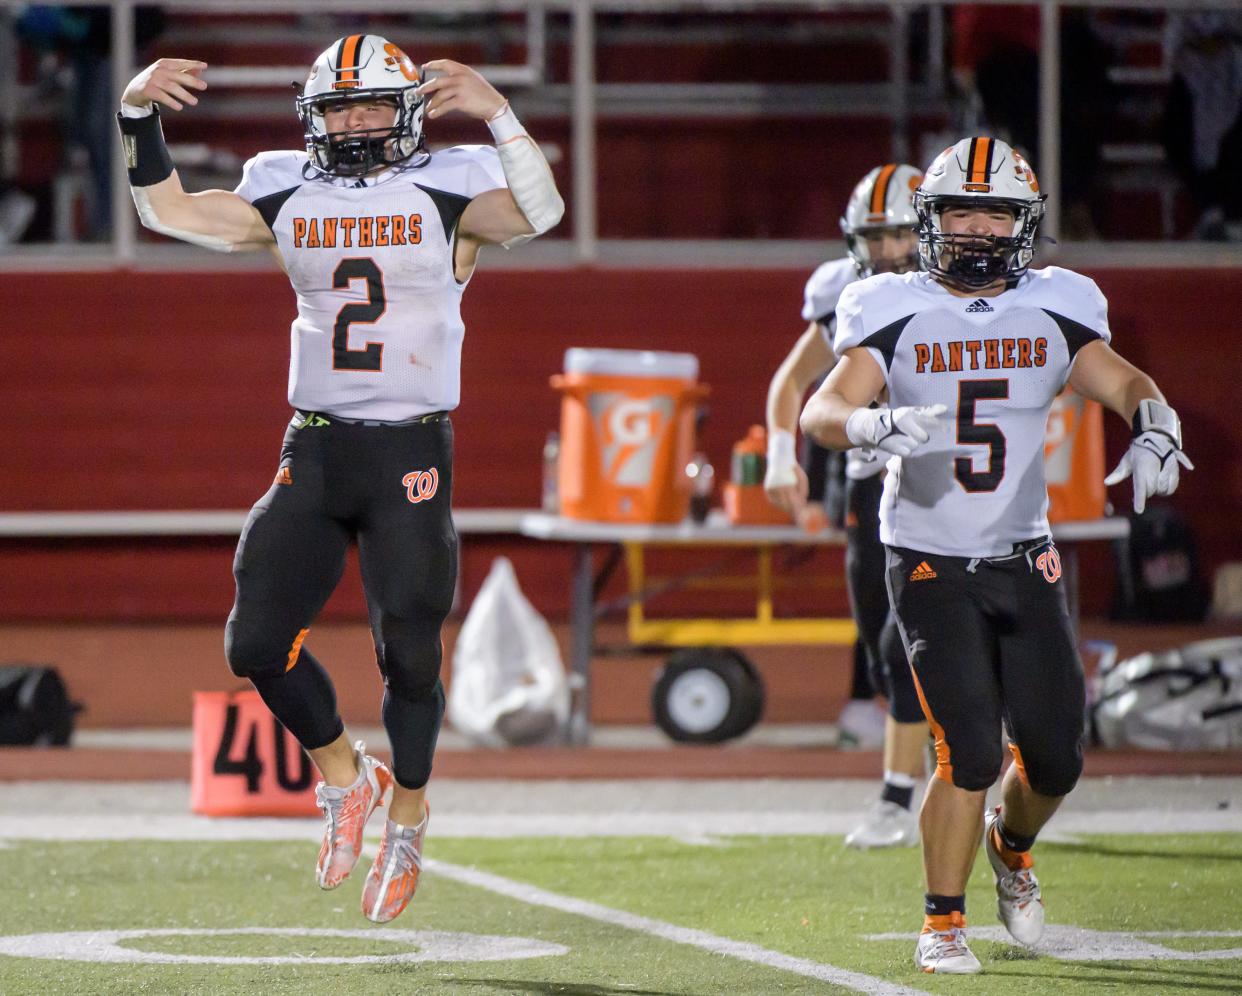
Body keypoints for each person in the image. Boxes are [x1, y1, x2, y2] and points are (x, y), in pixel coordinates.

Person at [116, 34, 563, 923]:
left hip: (410, 451)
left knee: (408, 650)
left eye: (369, 107)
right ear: (311, 120)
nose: (355, 124)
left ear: (407, 113)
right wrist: (136, 115)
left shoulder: (452, 185)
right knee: (255, 642)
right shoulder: (287, 185)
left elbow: (543, 213)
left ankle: (409, 813)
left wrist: (500, 111)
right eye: (339, 109)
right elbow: (169, 212)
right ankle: (345, 777)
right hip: (316, 447)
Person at [800, 136, 1192, 974]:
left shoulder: (1057, 303)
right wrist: (868, 423)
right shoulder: (887, 304)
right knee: (969, 749)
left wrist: (1157, 427)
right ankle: (942, 923)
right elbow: (822, 408)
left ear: (1026, 223)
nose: (977, 230)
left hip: (1024, 553)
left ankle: (1010, 846)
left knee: (1057, 753)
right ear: (930, 221)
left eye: (996, 213)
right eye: (959, 212)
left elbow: (1126, 382)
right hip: (929, 558)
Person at [764, 163, 930, 849]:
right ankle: (931, 780)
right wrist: (781, 456)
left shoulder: (962, 292)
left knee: (908, 641)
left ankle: (904, 792)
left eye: (898, 233)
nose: (888, 249)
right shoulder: (841, 290)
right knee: (880, 641)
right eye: (875, 235)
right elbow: (793, 380)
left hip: (937, 477)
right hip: (868, 479)